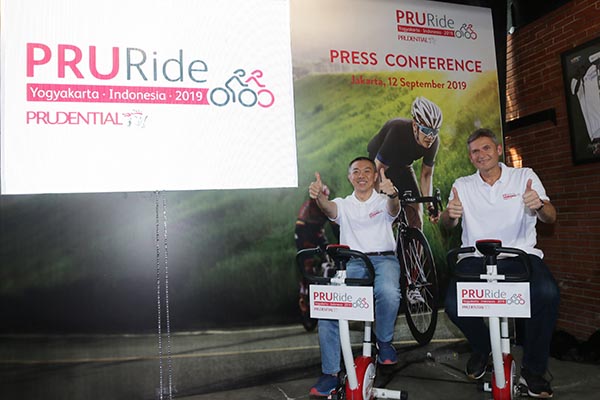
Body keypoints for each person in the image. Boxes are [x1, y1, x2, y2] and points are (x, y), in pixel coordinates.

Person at [440, 128, 560, 399]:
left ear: (497, 150)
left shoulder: (524, 176)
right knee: (453, 304)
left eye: (486, 148)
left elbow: (550, 217)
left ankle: (533, 370)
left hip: (519, 255)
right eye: (475, 152)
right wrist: (450, 214)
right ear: (470, 158)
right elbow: (448, 223)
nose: (481, 155)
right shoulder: (462, 185)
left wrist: (539, 205)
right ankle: (484, 347)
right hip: (475, 257)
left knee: (547, 293)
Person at [307, 157, 401, 397]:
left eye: (367, 171)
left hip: (384, 259)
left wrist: (392, 194)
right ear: (350, 177)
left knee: (388, 292)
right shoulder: (344, 204)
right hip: (354, 262)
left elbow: (394, 209)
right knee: (328, 307)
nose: (361, 175)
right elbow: (329, 208)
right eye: (356, 171)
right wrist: (320, 197)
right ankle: (330, 374)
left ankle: (384, 342)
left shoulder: (383, 200)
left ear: (375, 176)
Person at [367, 96, 443, 230]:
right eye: (426, 130)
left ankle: (412, 241)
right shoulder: (397, 131)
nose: (430, 137)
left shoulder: (433, 142)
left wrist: (430, 205)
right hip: (380, 164)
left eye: (435, 131)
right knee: (382, 214)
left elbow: (426, 175)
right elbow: (378, 169)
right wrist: (375, 201)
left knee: (416, 218)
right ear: (415, 126)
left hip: (403, 166)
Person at [295, 186, 340, 329]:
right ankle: (304, 293)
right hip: (304, 235)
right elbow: (299, 229)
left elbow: (336, 228)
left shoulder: (327, 206)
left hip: (319, 235)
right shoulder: (307, 207)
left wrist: (340, 244)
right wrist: (305, 249)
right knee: (307, 264)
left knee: (329, 258)